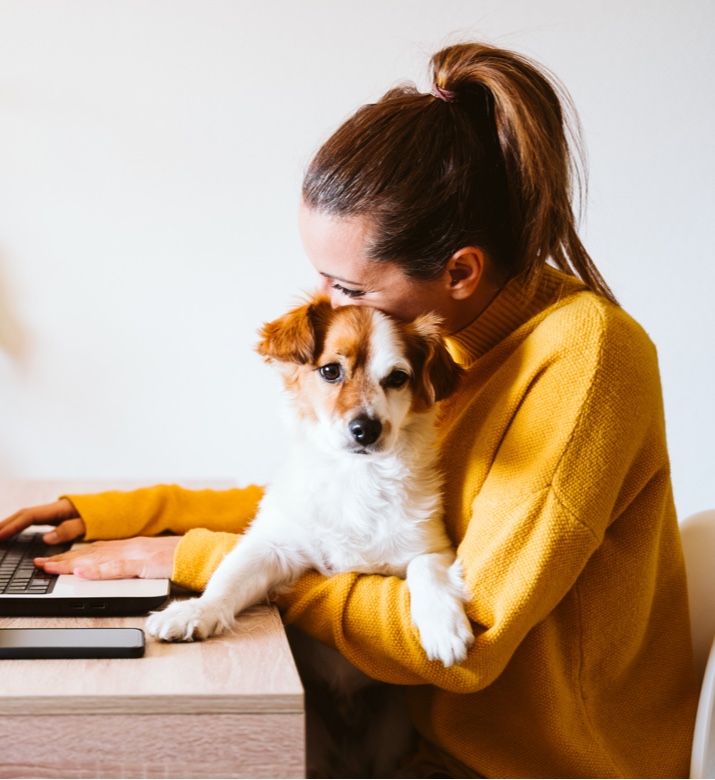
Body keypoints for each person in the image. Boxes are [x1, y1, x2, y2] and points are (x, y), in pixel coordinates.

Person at [0, 42, 698, 778]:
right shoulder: (447, 348)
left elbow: (470, 647)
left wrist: (200, 561)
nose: (331, 308)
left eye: (350, 287)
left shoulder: (582, 360)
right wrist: (127, 515)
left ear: (460, 271)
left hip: (536, 765)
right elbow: (335, 509)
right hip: (420, 740)